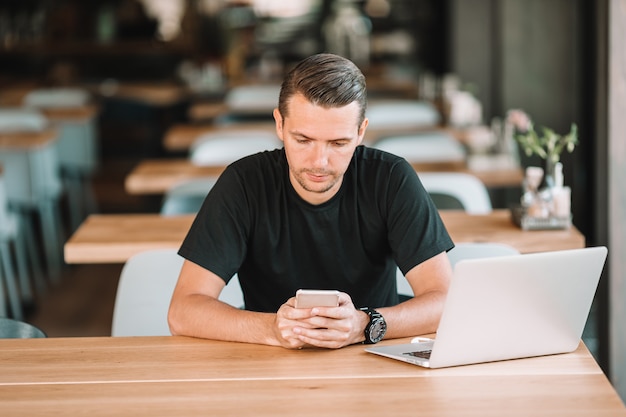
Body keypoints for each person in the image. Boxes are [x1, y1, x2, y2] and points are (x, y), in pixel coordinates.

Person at [168, 53, 454, 349]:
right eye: (303, 140)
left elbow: (446, 300)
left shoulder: (391, 178)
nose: (319, 162)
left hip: (374, 360)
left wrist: (364, 324)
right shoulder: (243, 184)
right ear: (279, 124)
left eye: (338, 143)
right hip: (267, 363)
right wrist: (272, 329)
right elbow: (183, 311)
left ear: (360, 132)